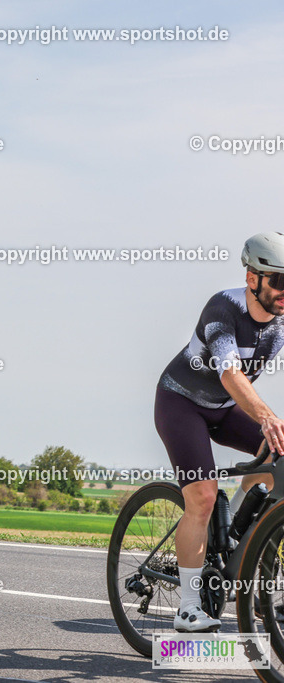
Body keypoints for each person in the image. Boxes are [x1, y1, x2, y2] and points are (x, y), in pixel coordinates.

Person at [156, 232, 284, 632]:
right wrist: (266, 416)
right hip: (181, 404)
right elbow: (229, 372)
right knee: (203, 497)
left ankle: (241, 541)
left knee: (279, 463)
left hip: (226, 410)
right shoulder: (223, 308)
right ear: (252, 278)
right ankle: (188, 608)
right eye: (279, 280)